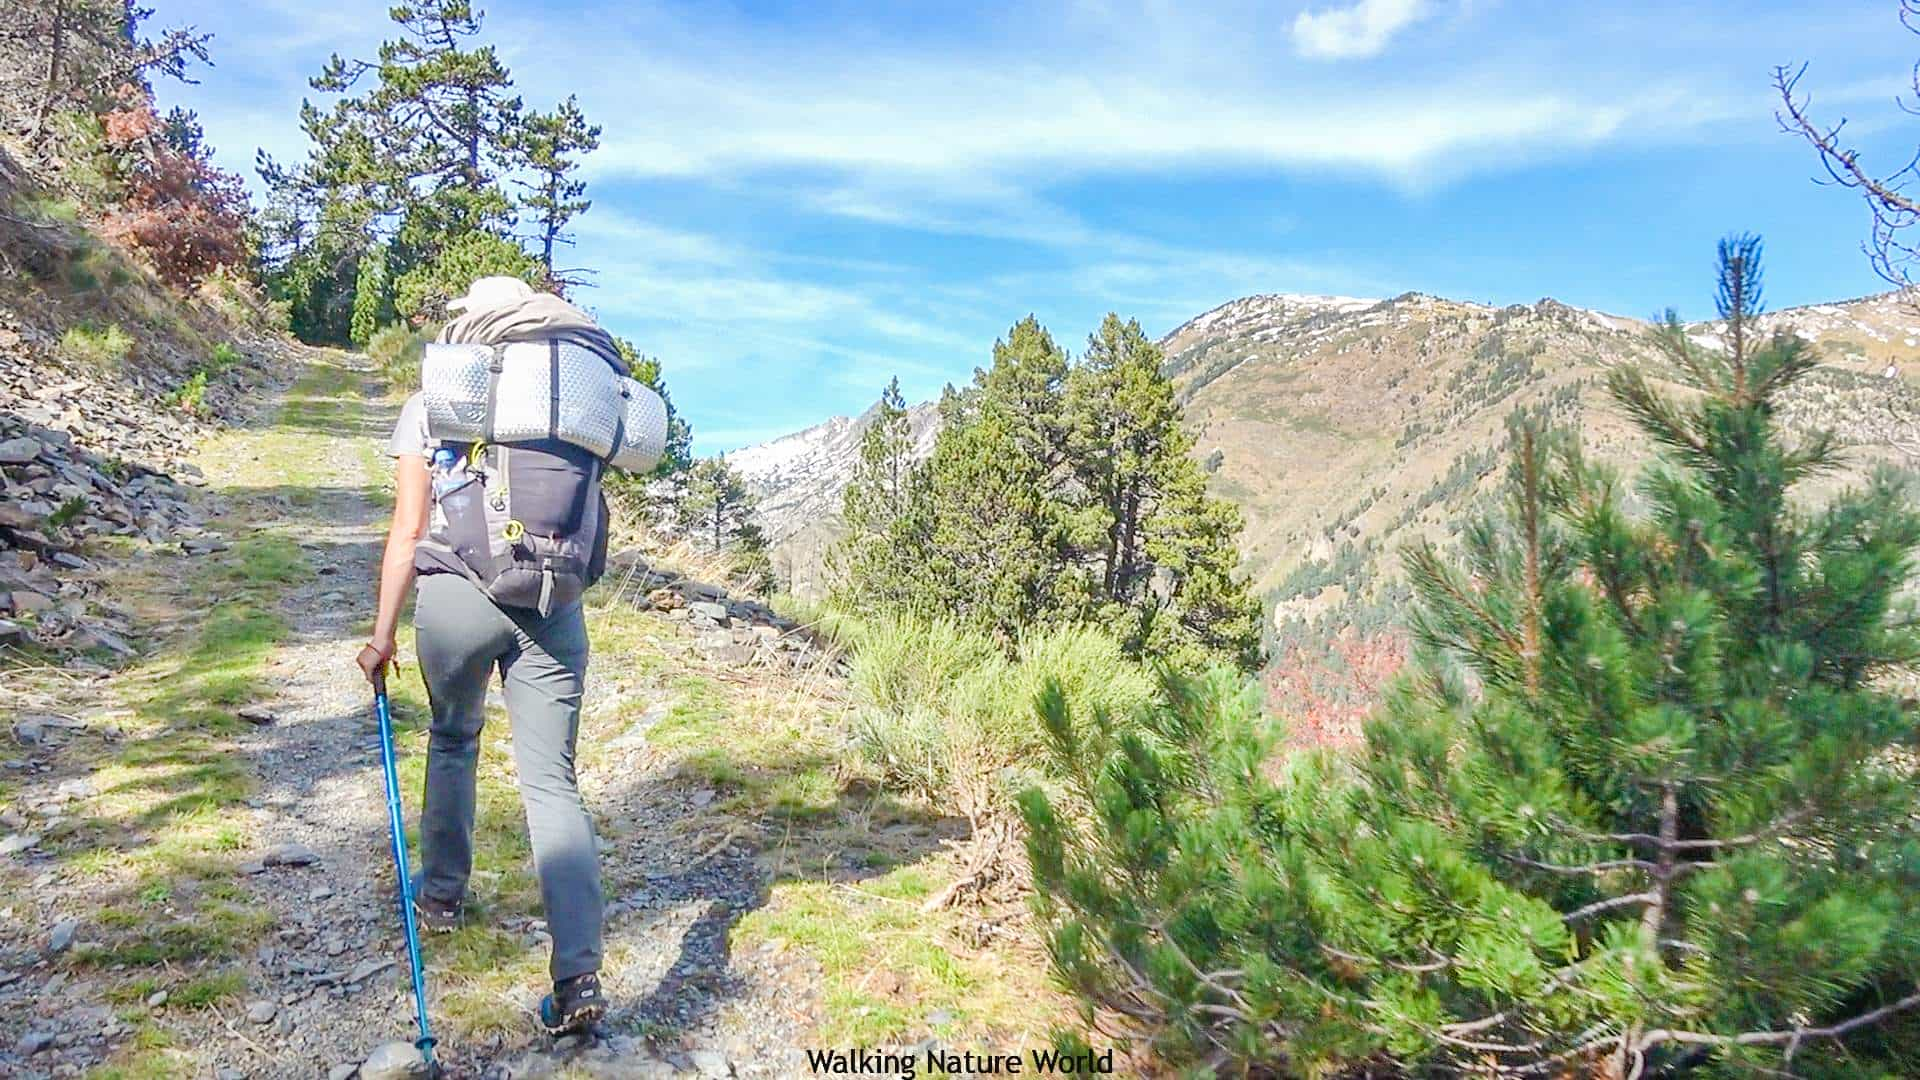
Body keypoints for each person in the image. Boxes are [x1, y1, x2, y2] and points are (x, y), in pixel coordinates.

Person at [356, 276, 609, 1036]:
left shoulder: (436, 400)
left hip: (457, 600)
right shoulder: (570, 404)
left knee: (454, 738)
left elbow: (407, 531)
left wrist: (381, 636)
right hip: (553, 605)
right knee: (552, 783)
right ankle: (578, 978)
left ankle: (439, 898)